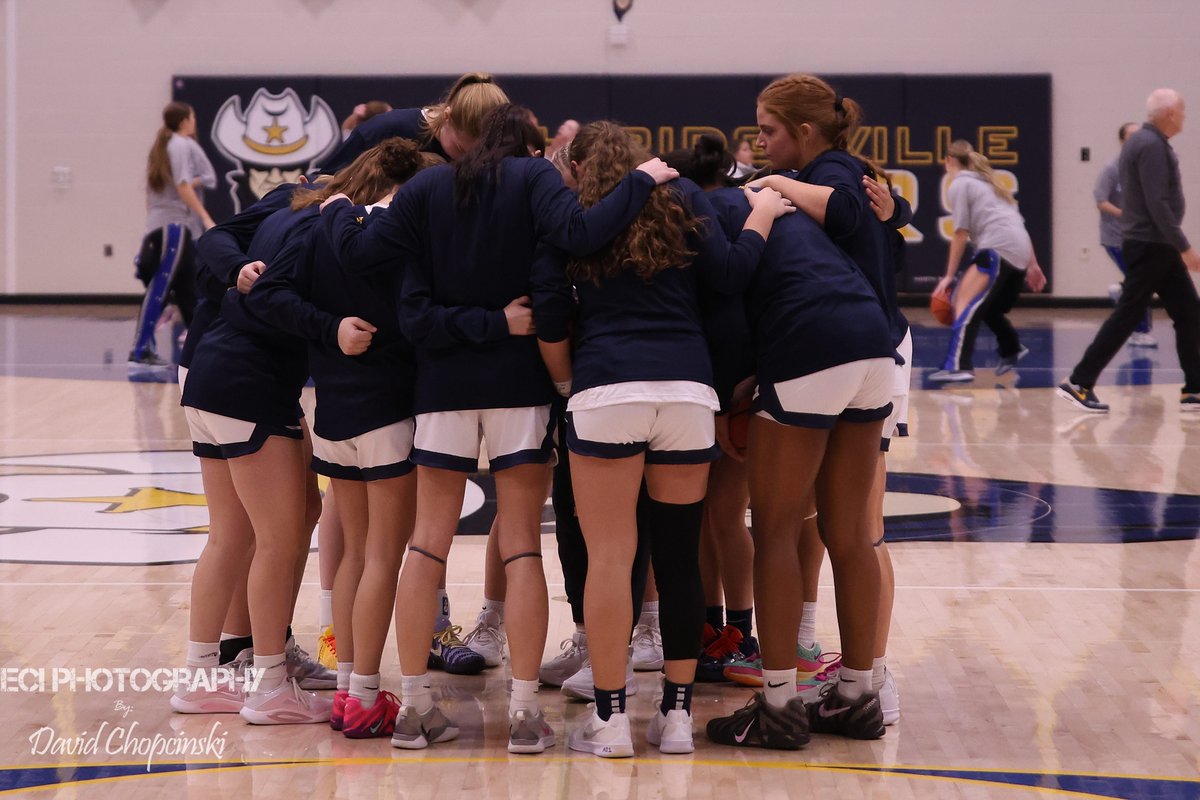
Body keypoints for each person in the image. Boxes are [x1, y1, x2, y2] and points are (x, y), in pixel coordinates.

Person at [320, 103, 679, 753]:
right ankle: (521, 715)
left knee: (425, 546)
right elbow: (581, 233)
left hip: (442, 389)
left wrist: (340, 211)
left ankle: (415, 709)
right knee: (518, 545)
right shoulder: (536, 179)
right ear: (533, 149)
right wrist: (641, 181)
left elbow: (368, 257)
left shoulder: (428, 186)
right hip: (519, 388)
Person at [547, 122, 789, 758]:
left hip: (606, 392)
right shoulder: (685, 199)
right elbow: (733, 274)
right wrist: (761, 214)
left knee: (609, 557)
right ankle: (678, 719)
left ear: (577, 168)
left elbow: (552, 308)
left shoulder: (577, 216)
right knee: (679, 557)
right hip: (686, 393)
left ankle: (611, 720)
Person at [242, 139, 435, 738]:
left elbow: (267, 293)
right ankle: (366, 695)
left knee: (352, 553)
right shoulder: (398, 231)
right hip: (387, 411)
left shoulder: (322, 223)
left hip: (331, 410)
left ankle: (351, 684)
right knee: (382, 554)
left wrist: (325, 330)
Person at [1062, 88, 1200, 413]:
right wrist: (1185, 246)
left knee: (1189, 312)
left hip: (1155, 245)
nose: (1184, 116)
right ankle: (1079, 382)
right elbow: (1157, 202)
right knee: (1128, 314)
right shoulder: (1150, 145)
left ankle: (1194, 389)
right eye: (1181, 110)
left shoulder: (1148, 142)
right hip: (1152, 244)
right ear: (1169, 113)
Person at [929, 140, 1047, 382]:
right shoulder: (994, 185)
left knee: (964, 302)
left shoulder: (960, 184)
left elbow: (960, 233)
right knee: (988, 308)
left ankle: (959, 366)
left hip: (998, 247)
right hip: (1020, 251)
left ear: (949, 161)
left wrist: (950, 276)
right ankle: (1011, 347)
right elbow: (1019, 226)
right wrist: (1033, 265)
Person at [129, 101, 216, 379]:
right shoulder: (179, 144)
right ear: (184, 121)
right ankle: (140, 350)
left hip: (160, 225)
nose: (194, 121)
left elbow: (150, 196)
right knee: (160, 286)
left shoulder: (162, 146)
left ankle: (198, 348)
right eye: (192, 117)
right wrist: (204, 216)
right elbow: (182, 186)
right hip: (172, 227)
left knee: (186, 287)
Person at [318, 72, 508, 174]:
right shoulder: (386, 129)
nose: (468, 161)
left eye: (482, 155)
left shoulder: (507, 149)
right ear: (447, 116)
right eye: (461, 149)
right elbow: (327, 182)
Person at [1096, 122, 1156, 348]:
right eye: (1131, 136)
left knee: (1140, 280)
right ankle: (1140, 331)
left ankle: (1121, 292)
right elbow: (1101, 202)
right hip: (1116, 236)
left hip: (1140, 235)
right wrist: (1126, 214)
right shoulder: (1112, 168)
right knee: (1140, 281)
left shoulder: (1144, 166)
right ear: (1122, 140)